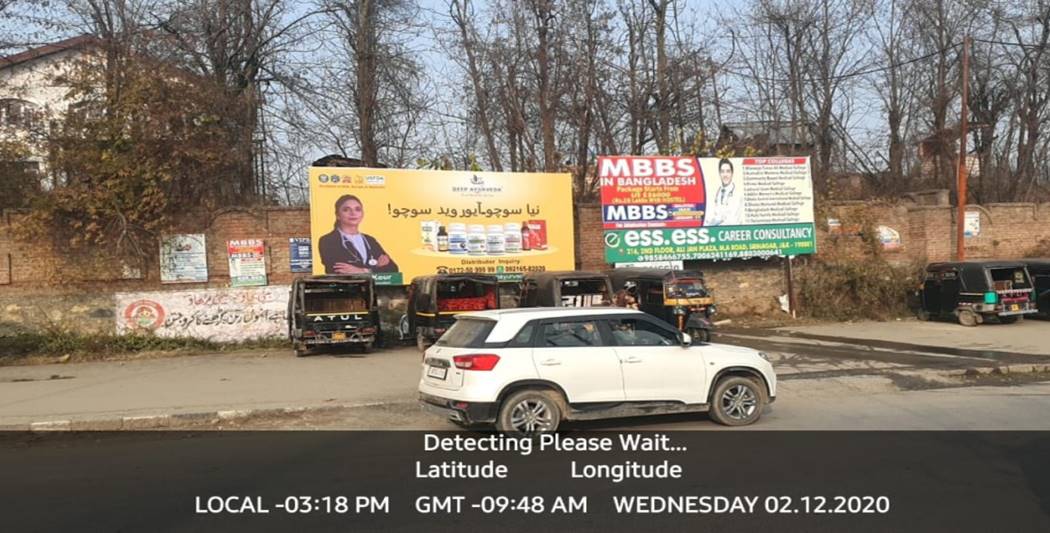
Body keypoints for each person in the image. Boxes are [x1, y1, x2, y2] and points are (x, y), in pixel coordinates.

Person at [318, 195, 399, 274]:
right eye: (346, 210)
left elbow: (393, 269)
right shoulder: (328, 240)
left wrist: (363, 271)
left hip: (372, 287)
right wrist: (376, 267)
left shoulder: (370, 240)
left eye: (357, 209)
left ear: (362, 214)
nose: (353, 213)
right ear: (338, 215)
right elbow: (338, 271)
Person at [705, 158, 743, 226]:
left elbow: (732, 219)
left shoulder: (737, 194)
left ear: (732, 173)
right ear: (719, 173)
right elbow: (711, 215)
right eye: (722, 171)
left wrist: (716, 221)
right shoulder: (717, 192)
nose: (725, 175)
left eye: (728, 171)